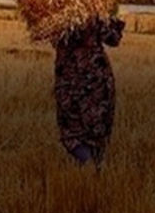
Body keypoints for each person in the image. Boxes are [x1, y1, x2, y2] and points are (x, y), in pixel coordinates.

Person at [52, 13, 125, 167]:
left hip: (69, 78)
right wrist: (112, 17)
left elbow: (48, 35)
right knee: (96, 129)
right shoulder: (94, 8)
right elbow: (113, 38)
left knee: (72, 131)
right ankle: (93, 168)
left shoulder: (55, 9)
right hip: (96, 77)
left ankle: (89, 168)